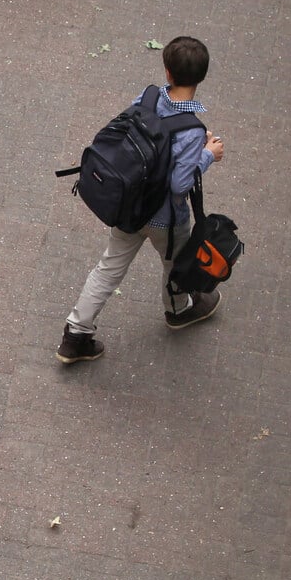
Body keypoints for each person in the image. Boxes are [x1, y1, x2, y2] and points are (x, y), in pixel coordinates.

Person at [56, 36, 225, 363]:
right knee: (174, 264)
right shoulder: (191, 130)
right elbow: (179, 184)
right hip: (166, 220)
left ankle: (76, 333)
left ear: (166, 71)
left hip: (129, 207)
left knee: (108, 268)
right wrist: (206, 155)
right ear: (202, 77)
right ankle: (177, 310)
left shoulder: (146, 98)